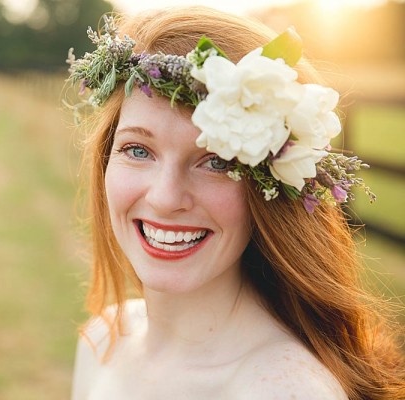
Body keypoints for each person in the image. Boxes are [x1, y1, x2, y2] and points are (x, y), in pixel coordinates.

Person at [66, 6, 405, 400]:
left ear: (272, 191)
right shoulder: (103, 340)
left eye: (216, 161)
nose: (164, 197)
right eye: (138, 150)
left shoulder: (284, 390)